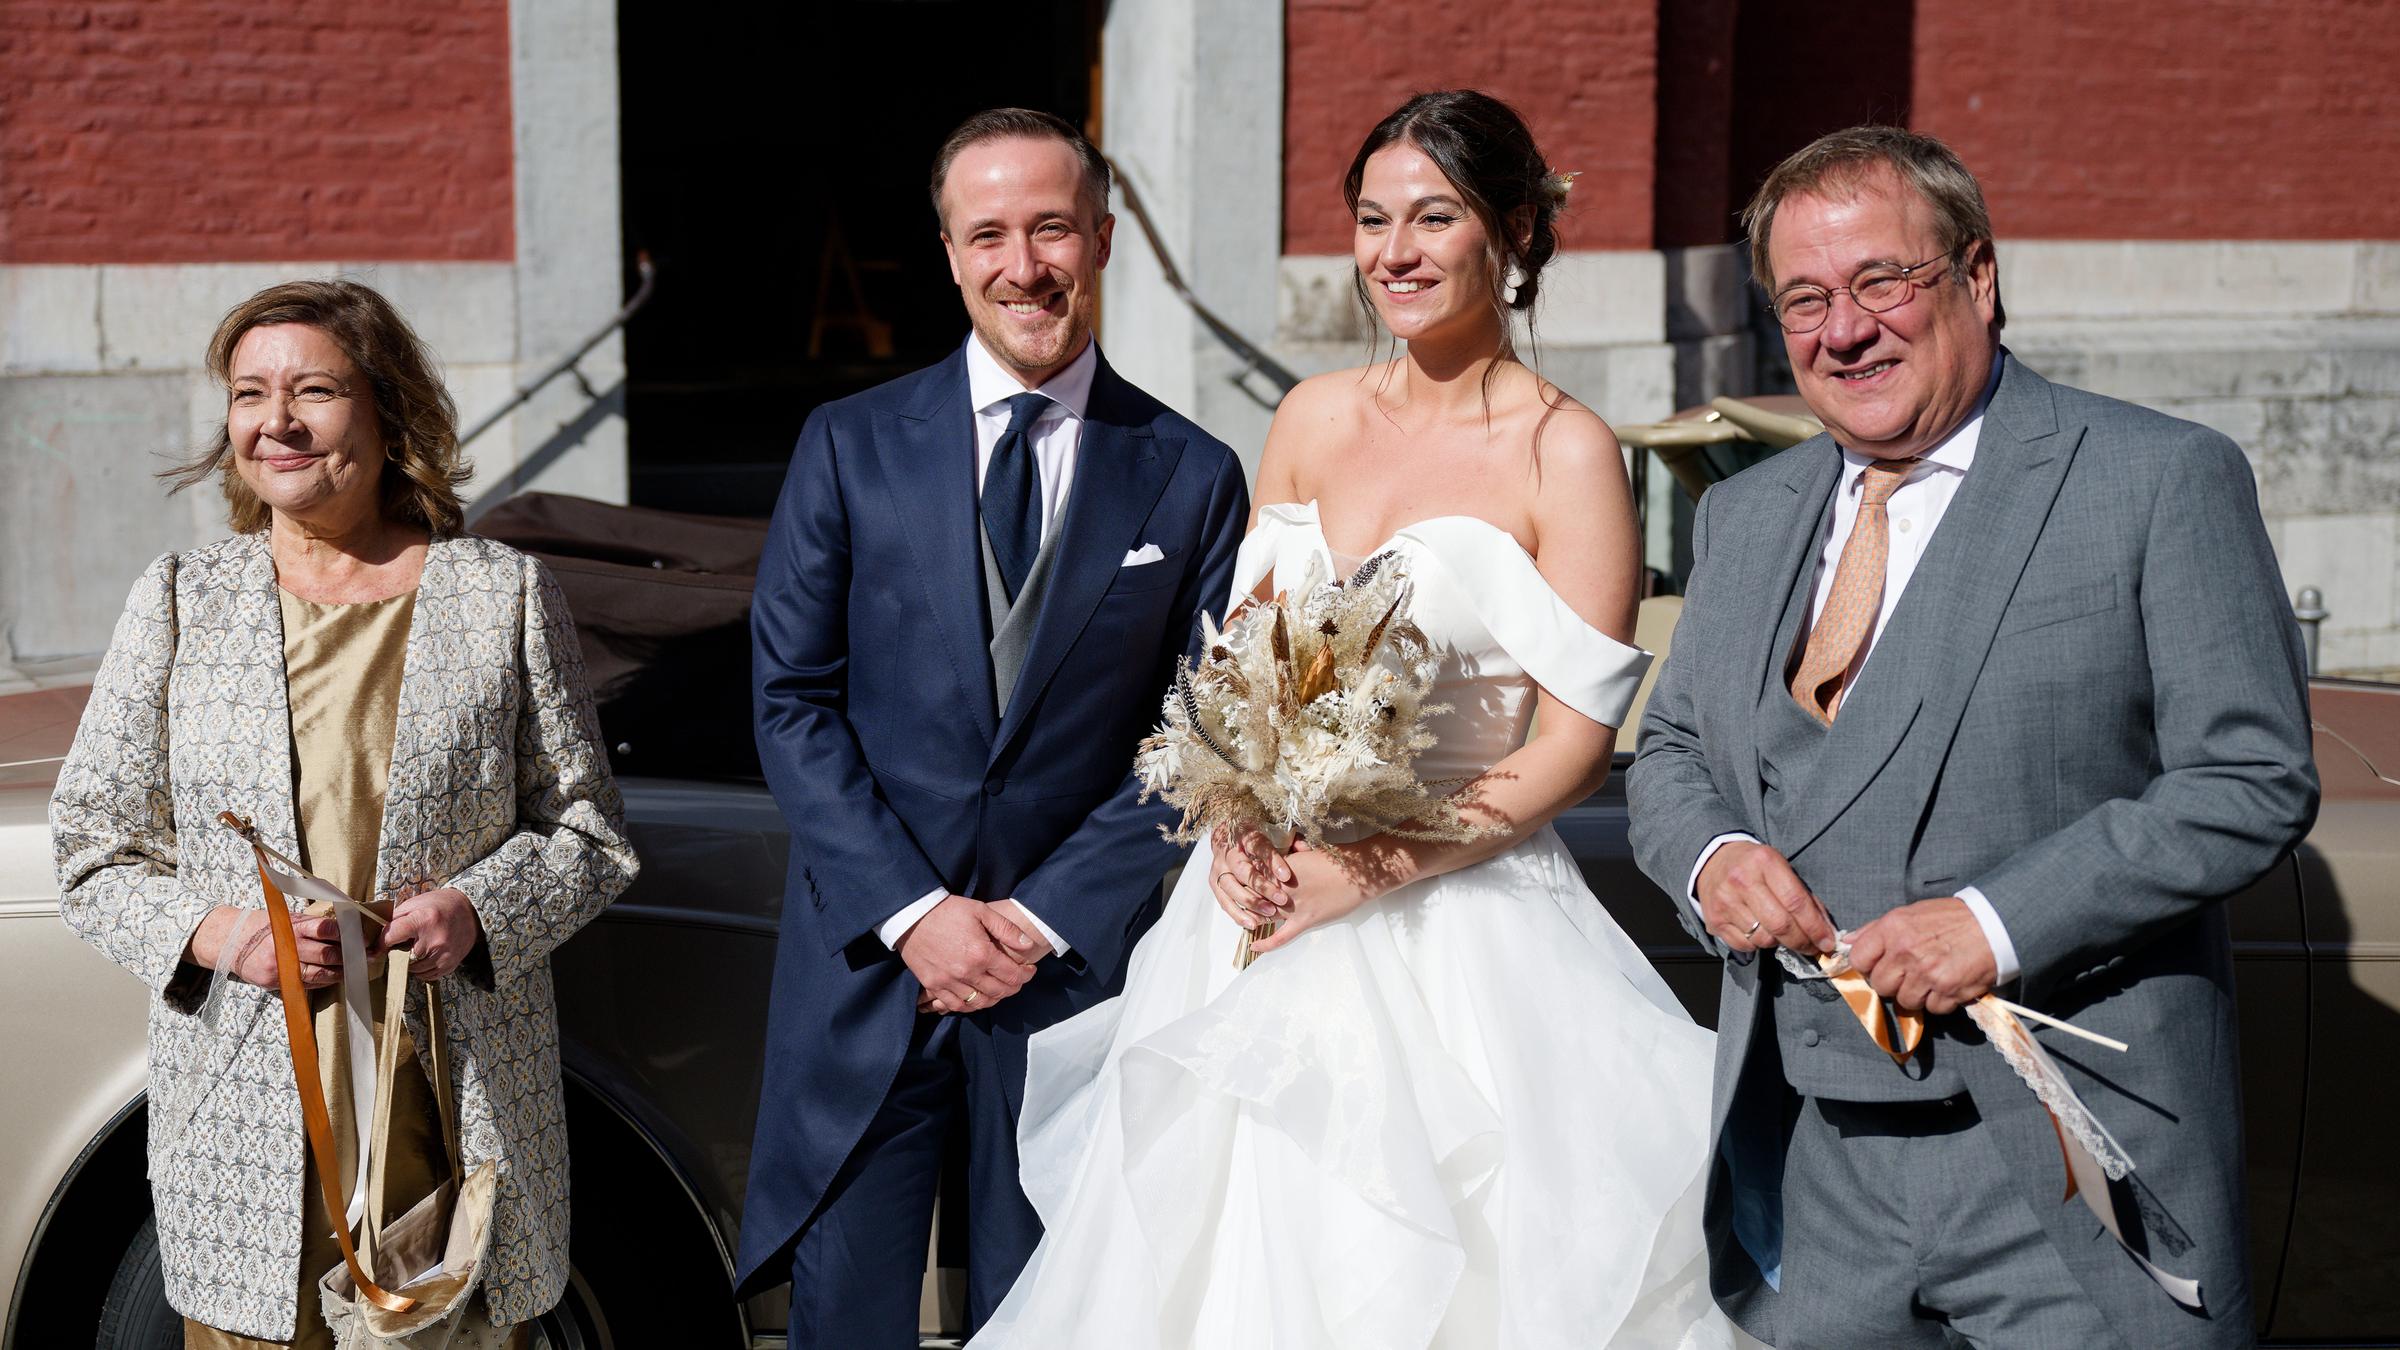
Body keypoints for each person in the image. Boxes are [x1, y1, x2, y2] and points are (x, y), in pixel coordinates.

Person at [970, 90, 1737, 1349]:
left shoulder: (1571, 454)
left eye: (1435, 216)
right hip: (1253, 918)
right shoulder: (1313, 418)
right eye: (1374, 219)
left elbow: (1572, 745)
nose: (1396, 251)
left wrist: (1373, 867)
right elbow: (1243, 668)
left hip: (1461, 926)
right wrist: (1233, 824)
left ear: (1517, 233)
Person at [1626, 125, 2318, 1348]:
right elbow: (1675, 748)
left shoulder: (2157, 479)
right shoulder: (1746, 514)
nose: (1845, 331)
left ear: (1979, 278)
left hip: (2072, 1150)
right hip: (1813, 1160)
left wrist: (1994, 925)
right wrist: (1710, 859)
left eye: (1882, 282)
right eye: (1806, 299)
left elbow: (2250, 779)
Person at [730, 108, 1250, 1346]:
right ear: (953, 253)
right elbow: (790, 700)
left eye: (1053, 228)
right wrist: (920, 917)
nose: (1026, 266)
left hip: (1069, 980)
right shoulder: (847, 445)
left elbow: (1205, 740)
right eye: (991, 235)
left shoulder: (1192, 470)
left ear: (1105, 238)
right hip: (872, 967)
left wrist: (1034, 918)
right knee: (846, 1320)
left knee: (1054, 1317)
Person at [51, 278, 638, 1347]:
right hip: (244, 1104)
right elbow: (92, 847)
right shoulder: (182, 595)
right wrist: (227, 934)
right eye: (248, 394)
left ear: (386, 409)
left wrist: (478, 910)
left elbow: (588, 833)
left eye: (313, 389)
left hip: (451, 1106)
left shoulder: (499, 592)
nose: (275, 421)